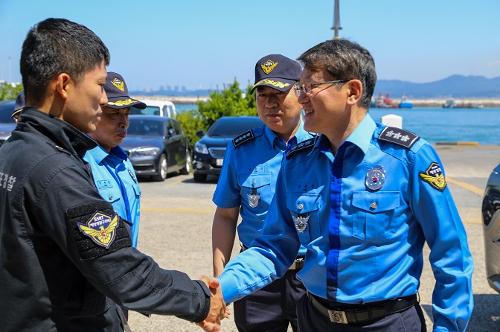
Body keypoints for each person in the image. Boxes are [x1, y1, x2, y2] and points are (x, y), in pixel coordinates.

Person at [216, 39, 474, 331]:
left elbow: (451, 252)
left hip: (387, 323)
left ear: (352, 91)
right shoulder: (298, 162)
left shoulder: (407, 158)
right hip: (315, 319)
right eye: (300, 88)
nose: (301, 99)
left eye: (310, 87)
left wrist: (448, 326)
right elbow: (273, 247)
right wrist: (217, 290)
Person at [0, 18, 224, 332]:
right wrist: (199, 298)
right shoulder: (56, 171)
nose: (104, 99)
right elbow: (124, 273)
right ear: (64, 85)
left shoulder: (12, 154)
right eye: (99, 85)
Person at [212, 54, 312, 332]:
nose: (270, 103)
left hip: (312, 278)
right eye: (262, 94)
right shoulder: (241, 149)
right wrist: (222, 279)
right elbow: (225, 215)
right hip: (257, 280)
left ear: (300, 92)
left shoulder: (324, 145)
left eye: (279, 93)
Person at [84, 71, 144, 248]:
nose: (123, 122)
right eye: (113, 114)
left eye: (126, 113)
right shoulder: (81, 163)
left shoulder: (123, 160)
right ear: (93, 112)